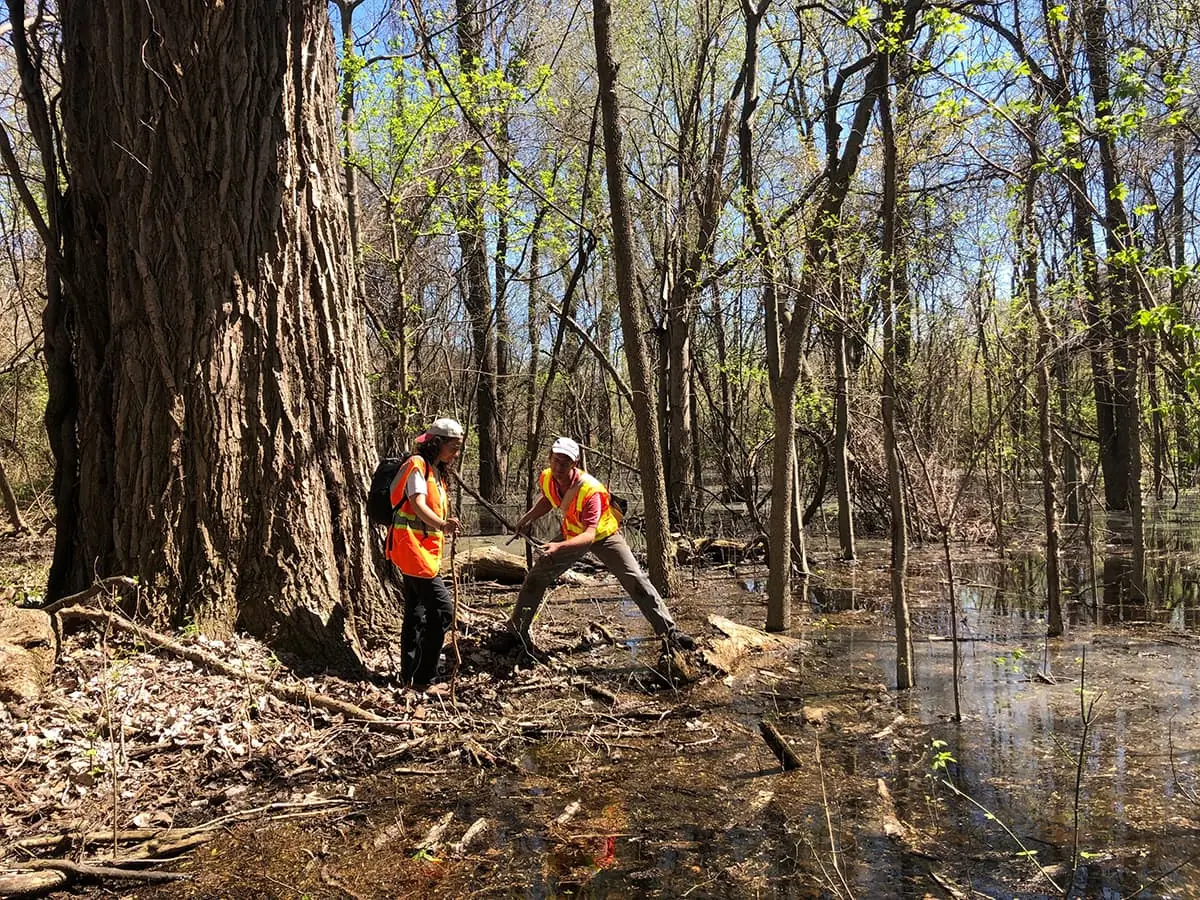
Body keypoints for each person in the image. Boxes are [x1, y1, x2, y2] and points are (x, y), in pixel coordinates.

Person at [502, 436, 695, 653]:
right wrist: (526, 519)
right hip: (572, 533)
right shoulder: (547, 477)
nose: (558, 467)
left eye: (564, 463)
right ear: (550, 459)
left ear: (574, 464)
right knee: (535, 578)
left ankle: (670, 633)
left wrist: (557, 547)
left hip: (603, 536)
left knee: (635, 579)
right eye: (555, 461)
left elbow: (589, 535)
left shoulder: (591, 490)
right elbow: (549, 499)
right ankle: (516, 633)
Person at [387, 417, 464, 690]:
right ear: (437, 443)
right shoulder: (417, 465)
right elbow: (417, 504)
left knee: (416, 613)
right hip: (412, 550)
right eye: (453, 448)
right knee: (443, 611)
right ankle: (423, 679)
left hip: (423, 552)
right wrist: (443, 524)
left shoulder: (435, 472)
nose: (456, 454)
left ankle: (409, 676)